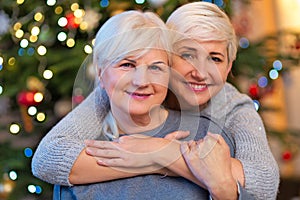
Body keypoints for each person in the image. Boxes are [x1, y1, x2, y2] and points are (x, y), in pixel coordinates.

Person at [31, 2, 279, 200]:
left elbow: (263, 183)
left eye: (215, 58)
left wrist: (164, 153)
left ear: (229, 67)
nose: (201, 73)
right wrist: (152, 162)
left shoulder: (232, 107)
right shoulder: (119, 88)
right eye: (187, 54)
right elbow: (49, 158)